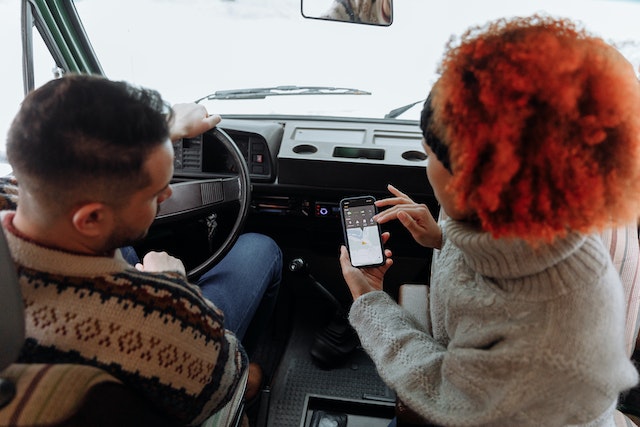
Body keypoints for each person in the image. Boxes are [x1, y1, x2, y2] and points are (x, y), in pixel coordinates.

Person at [339, 15, 640, 426]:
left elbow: (443, 389)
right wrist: (442, 238)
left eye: (428, 154)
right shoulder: (536, 215)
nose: (425, 165)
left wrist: (368, 300)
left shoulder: (546, 333)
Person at [2, 74, 282, 425]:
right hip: (195, 372)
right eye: (155, 193)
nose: (168, 196)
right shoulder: (161, 320)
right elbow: (227, 376)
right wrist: (174, 286)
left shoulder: (20, 192)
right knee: (261, 249)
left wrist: (164, 130)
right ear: (91, 218)